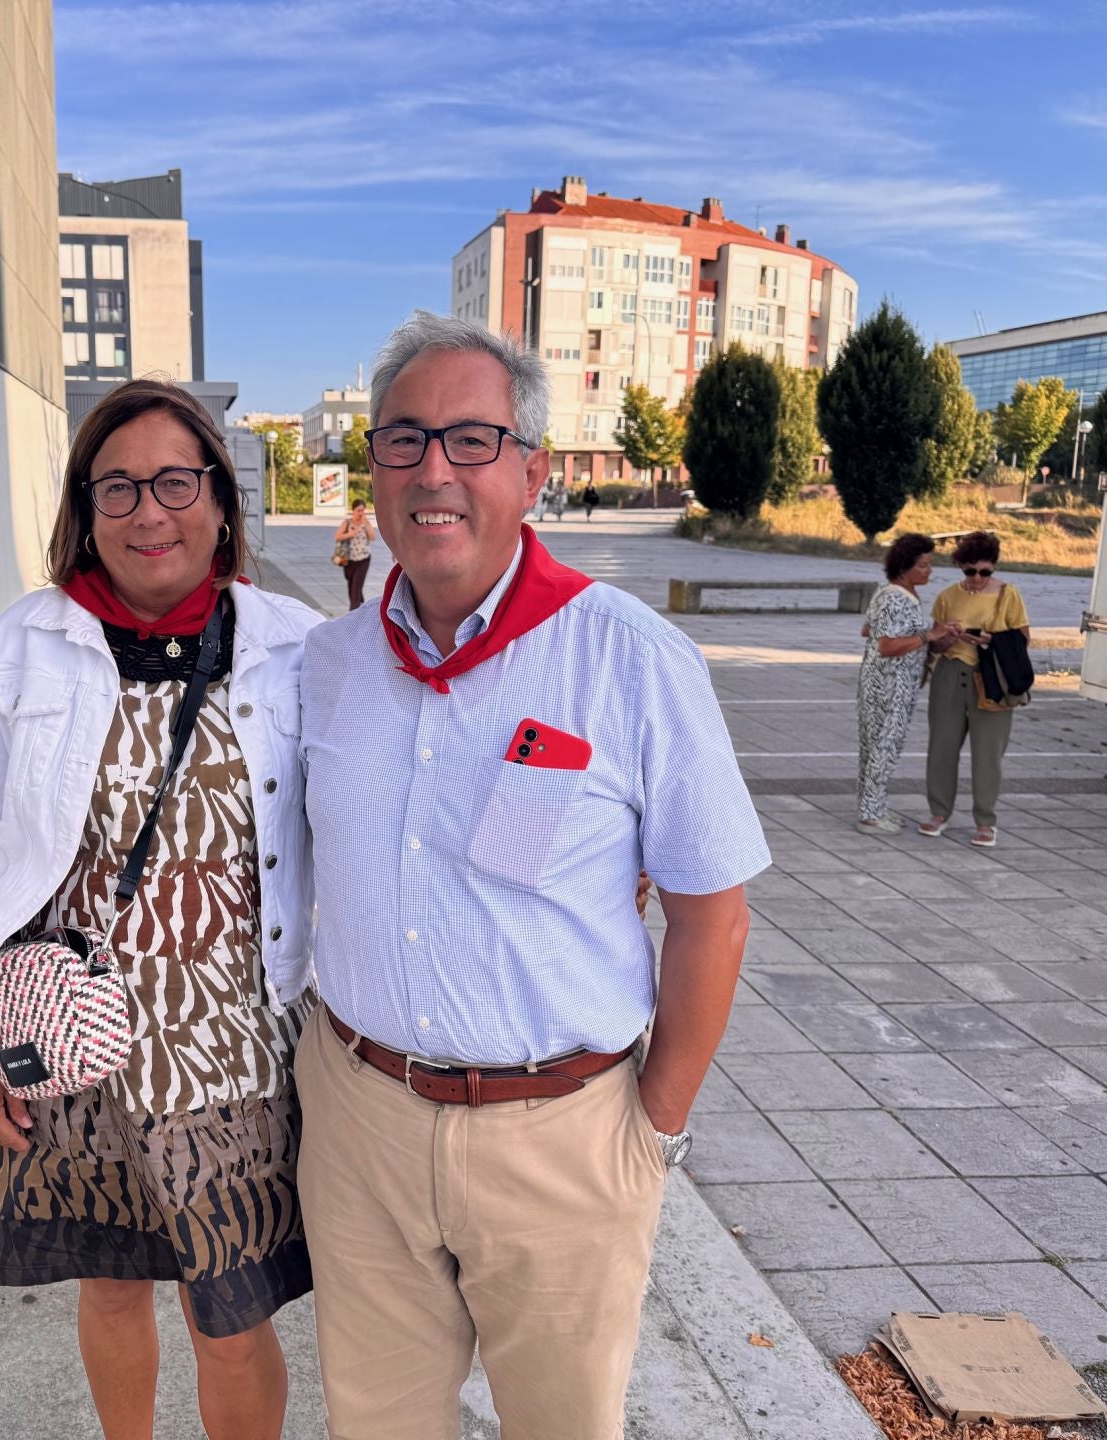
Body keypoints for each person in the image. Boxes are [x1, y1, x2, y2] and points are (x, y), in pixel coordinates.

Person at [295, 312, 770, 1440]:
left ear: (534, 472)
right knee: (375, 1426)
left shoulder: (629, 658)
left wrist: (652, 1132)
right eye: (404, 439)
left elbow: (714, 917)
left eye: (473, 439)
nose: (434, 471)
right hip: (359, 1124)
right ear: (376, 466)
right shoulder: (327, 663)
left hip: (560, 1141)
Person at [0, 379, 320, 1440]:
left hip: (232, 1040)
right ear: (86, 510)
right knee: (108, 1285)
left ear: (220, 500)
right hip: (66, 1035)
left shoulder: (294, 645)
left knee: (230, 1316)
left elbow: (385, 793)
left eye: (176, 482)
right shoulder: (26, 645)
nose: (150, 512)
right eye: (120, 488)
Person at [920, 530, 1031, 847]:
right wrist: (947, 636)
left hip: (992, 678)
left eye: (985, 571)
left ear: (993, 567)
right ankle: (939, 812)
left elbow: (1023, 640)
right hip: (950, 674)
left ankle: (985, 821)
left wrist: (988, 640)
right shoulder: (947, 596)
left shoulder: (1008, 595)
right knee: (941, 748)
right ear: (961, 567)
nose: (978, 578)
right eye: (970, 571)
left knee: (988, 753)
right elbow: (935, 644)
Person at [855, 533, 955, 834]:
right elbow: (887, 645)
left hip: (884, 681)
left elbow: (868, 630)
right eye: (923, 565)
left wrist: (930, 636)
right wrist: (927, 636)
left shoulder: (893, 594)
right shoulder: (895, 598)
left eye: (929, 565)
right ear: (904, 567)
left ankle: (873, 806)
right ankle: (870, 815)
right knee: (884, 747)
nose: (929, 571)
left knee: (875, 746)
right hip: (890, 685)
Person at [333, 498, 377, 611]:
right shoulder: (347, 522)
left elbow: (373, 537)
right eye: (358, 510)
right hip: (349, 560)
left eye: (363, 510)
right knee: (352, 586)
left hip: (364, 559)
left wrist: (366, 523)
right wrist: (350, 534)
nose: (361, 513)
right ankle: (362, 610)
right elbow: (337, 536)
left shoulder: (366, 523)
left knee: (356, 587)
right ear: (353, 510)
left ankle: (353, 613)